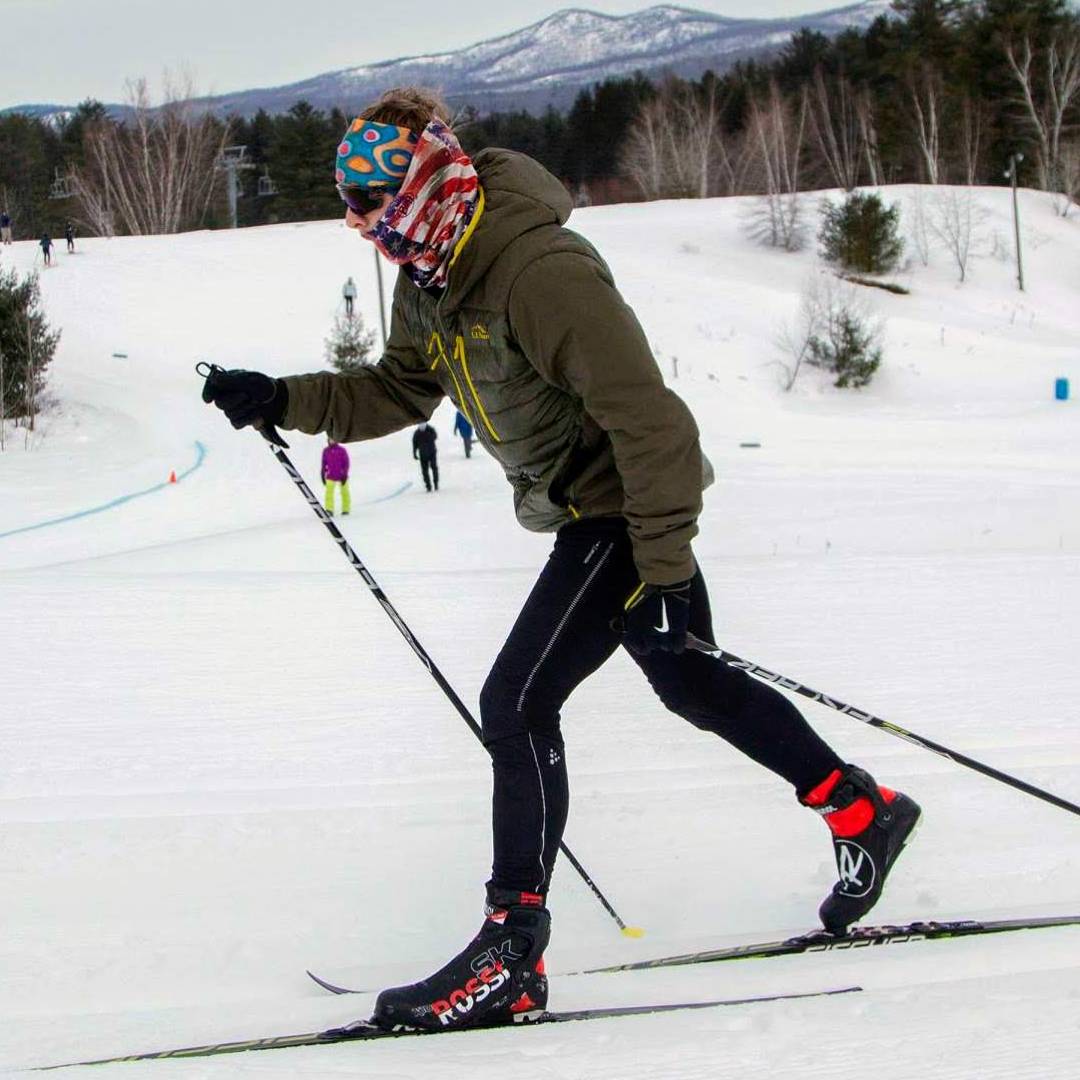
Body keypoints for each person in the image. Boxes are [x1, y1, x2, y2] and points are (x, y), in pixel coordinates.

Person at [201, 86, 921, 1034]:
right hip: (595, 510)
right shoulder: (433, 272)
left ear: (422, 180)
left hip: (624, 506)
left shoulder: (538, 269)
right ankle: (859, 810)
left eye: (371, 200)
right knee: (695, 686)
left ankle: (511, 948)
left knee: (517, 700)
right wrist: (281, 398)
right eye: (349, 203)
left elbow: (654, 425)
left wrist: (662, 574)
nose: (359, 221)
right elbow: (401, 388)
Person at [321, 435, 351, 516]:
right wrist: (322, 474)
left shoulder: (342, 450)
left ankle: (346, 509)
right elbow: (324, 464)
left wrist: (344, 474)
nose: (332, 441)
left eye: (333, 439)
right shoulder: (326, 451)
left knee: (344, 492)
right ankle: (329, 509)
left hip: (341, 475)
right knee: (329, 493)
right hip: (330, 475)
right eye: (330, 439)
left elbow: (346, 463)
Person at [412, 421, 438, 492]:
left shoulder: (430, 429)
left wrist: (429, 440)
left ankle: (435, 483)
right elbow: (414, 444)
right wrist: (414, 453)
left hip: (432, 452)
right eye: (420, 424)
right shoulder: (417, 433)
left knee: (434, 468)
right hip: (422, 454)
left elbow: (435, 436)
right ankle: (428, 486)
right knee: (424, 471)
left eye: (423, 424)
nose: (421, 426)